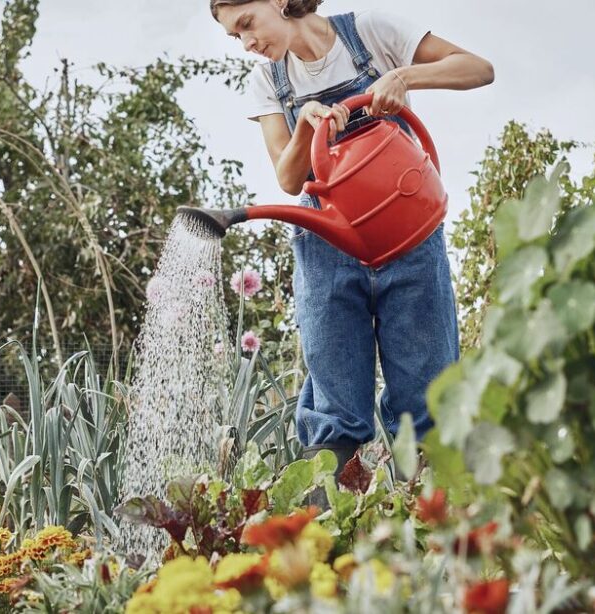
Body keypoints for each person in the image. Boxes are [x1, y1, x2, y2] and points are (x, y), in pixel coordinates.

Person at [210, 0, 494, 483]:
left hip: (408, 231)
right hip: (328, 245)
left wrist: (404, 78)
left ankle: (432, 531)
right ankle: (336, 536)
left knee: (427, 395)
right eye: (236, 37)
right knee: (335, 400)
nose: (248, 43)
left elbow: (478, 69)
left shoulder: (369, 33)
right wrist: (305, 126)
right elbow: (288, 178)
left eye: (247, 24)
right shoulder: (269, 82)